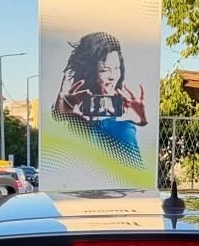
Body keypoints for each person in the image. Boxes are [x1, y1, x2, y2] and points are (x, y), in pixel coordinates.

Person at [53, 31, 147, 161]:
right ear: (89, 72)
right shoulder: (76, 121)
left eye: (116, 68)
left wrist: (141, 121)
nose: (113, 76)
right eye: (104, 70)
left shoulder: (124, 119)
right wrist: (61, 115)